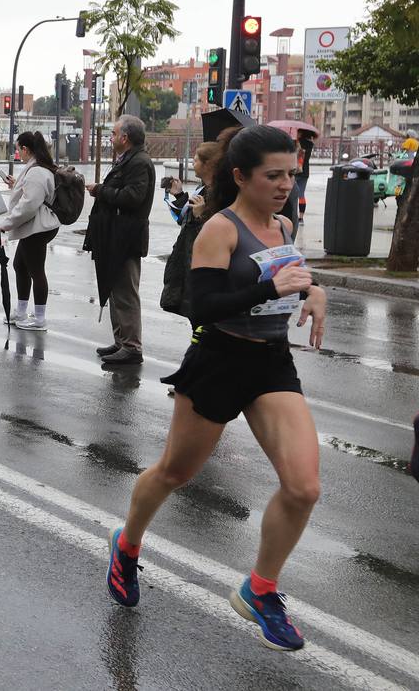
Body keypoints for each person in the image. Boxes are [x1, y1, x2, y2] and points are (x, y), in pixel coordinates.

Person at [109, 125, 325, 653]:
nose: (284, 185)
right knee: (175, 473)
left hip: (271, 364)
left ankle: (260, 589)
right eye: (273, 175)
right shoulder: (219, 231)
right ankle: (127, 544)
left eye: (291, 174)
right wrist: (269, 288)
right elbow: (203, 306)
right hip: (219, 361)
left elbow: (291, 273)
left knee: (303, 487)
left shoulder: (285, 223)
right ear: (240, 177)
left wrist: (314, 289)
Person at [85, 115, 156, 366]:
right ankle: (121, 341)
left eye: (114, 134)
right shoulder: (127, 159)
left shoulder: (139, 162)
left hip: (126, 237)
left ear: (125, 138)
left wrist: (100, 190)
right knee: (115, 290)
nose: (111, 138)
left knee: (126, 293)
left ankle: (132, 347)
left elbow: (133, 197)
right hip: (114, 235)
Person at [0, 131, 60, 329]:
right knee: (20, 266)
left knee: (36, 270)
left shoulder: (37, 172)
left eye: (18, 149)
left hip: (38, 227)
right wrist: (16, 184)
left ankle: (40, 318)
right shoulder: (35, 168)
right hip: (35, 226)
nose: (18, 153)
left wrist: (7, 223)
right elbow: (31, 193)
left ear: (25, 149)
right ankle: (22, 311)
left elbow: (29, 204)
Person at [160, 141, 223, 325]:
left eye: (195, 160)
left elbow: (213, 234)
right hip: (188, 259)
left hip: (202, 265)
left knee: (202, 321)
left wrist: (200, 215)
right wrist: (179, 196)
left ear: (208, 164)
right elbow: (185, 220)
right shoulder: (203, 188)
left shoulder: (219, 195)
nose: (192, 164)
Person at [295, 129, 316, 226]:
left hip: (295, 171)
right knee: (301, 195)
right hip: (305, 172)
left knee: (292, 194)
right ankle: (301, 218)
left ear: (301, 133)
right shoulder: (310, 144)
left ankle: (293, 215)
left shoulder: (295, 142)